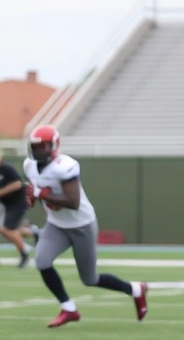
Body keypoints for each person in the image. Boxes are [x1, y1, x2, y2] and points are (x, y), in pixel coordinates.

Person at [22, 124, 148, 328]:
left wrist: (43, 195)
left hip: (81, 226)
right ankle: (69, 308)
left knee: (89, 278)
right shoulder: (29, 165)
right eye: (36, 147)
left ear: (54, 146)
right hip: (56, 225)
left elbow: (73, 202)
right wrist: (34, 198)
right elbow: (38, 191)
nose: (38, 151)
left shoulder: (65, 165)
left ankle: (135, 289)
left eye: (43, 146)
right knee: (42, 261)